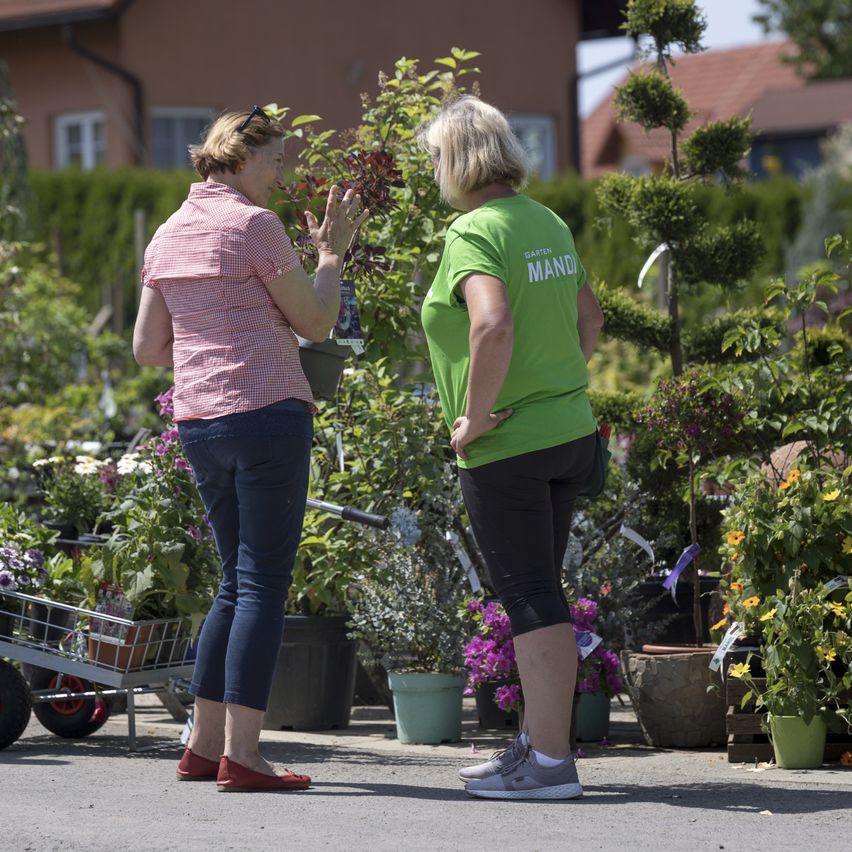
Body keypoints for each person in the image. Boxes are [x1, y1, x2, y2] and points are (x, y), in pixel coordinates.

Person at [133, 106, 367, 793]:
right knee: (263, 582)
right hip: (267, 415)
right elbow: (318, 320)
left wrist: (213, 342)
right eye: (275, 160)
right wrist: (330, 254)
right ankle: (245, 756)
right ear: (239, 158)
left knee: (236, 579)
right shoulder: (253, 225)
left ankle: (203, 748)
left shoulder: (168, 233)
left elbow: (148, 348)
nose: (281, 172)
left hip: (200, 421)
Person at [419, 95, 605, 800]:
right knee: (542, 596)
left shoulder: (474, 230)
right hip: (568, 434)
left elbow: (491, 327)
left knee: (530, 599)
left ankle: (553, 768)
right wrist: (556, 385)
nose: (433, 169)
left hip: (511, 446)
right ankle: (536, 746)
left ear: (457, 159)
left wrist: (477, 416)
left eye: (435, 157)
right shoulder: (545, 219)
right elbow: (588, 318)